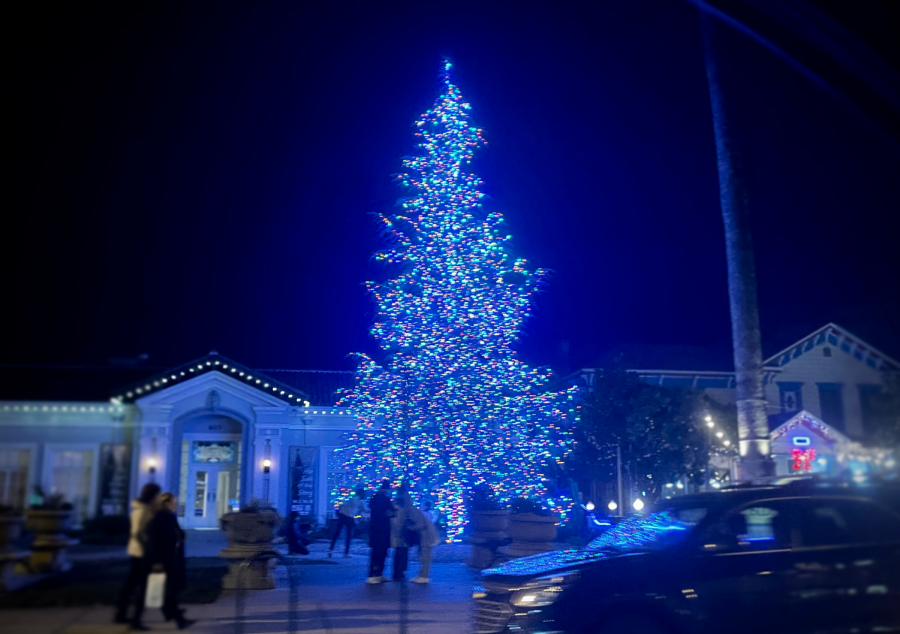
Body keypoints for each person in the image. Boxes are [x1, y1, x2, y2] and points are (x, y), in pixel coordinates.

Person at [145, 492, 195, 630]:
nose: (175, 505)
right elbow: (155, 540)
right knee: (166, 590)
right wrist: (157, 561)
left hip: (171, 557)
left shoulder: (169, 516)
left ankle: (169, 612)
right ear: (166, 504)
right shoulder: (161, 518)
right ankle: (179, 619)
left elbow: (177, 533)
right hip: (163, 559)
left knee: (167, 588)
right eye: (173, 502)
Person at [114, 482, 160, 629]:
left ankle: (120, 614)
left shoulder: (143, 509)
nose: (159, 497)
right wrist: (149, 549)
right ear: (152, 495)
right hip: (142, 553)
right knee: (143, 586)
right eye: (157, 494)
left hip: (137, 551)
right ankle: (135, 620)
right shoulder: (142, 511)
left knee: (132, 583)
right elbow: (138, 533)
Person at [366, 480, 393, 584]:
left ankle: (374, 573)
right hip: (383, 529)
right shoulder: (385, 500)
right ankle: (377, 573)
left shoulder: (373, 499)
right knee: (381, 553)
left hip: (375, 529)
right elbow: (390, 512)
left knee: (376, 552)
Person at [407, 500, 441, 584]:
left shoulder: (419, 514)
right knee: (424, 556)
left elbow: (421, 525)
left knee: (425, 557)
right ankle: (422, 575)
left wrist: (411, 527)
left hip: (426, 538)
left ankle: (423, 576)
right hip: (427, 537)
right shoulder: (428, 513)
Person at [329, 487, 366, 558]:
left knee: (337, 533)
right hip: (349, 518)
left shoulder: (351, 499)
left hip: (342, 516)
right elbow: (366, 509)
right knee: (348, 535)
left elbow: (342, 505)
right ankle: (346, 553)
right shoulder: (360, 501)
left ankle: (330, 550)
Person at [390, 488, 415, 581]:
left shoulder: (394, 509)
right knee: (402, 554)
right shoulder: (401, 510)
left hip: (397, 535)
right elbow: (398, 524)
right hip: (401, 535)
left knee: (398, 554)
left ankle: (397, 572)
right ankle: (399, 572)